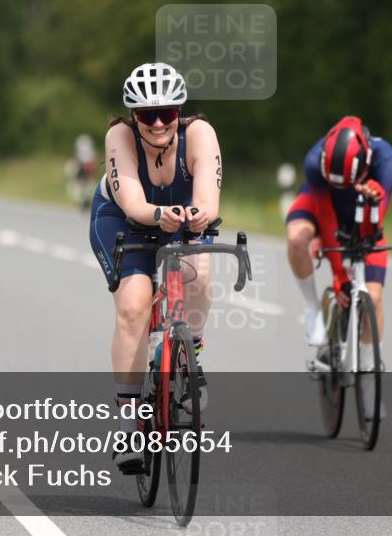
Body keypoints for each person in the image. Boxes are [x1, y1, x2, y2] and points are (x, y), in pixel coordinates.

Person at [89, 63, 221, 474]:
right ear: (134, 116)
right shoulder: (119, 136)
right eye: (148, 115)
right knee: (134, 306)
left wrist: (197, 216)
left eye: (167, 112)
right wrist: (161, 214)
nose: (159, 122)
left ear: (179, 112)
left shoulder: (200, 133)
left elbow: (208, 201)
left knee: (199, 271)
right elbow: (132, 204)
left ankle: (190, 352)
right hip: (122, 220)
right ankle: (127, 423)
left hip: (179, 217)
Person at [286, 116, 392, 418]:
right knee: (297, 239)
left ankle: (368, 377)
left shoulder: (386, 160)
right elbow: (325, 217)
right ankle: (312, 307)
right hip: (320, 203)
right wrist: (340, 277)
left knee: (374, 297)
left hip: (363, 208)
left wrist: (373, 199)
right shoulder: (314, 162)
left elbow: (374, 227)